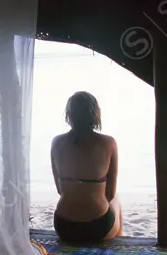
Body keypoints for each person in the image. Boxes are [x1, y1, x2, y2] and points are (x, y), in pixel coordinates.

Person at [50, 91, 123, 243]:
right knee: (116, 201)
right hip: (98, 227)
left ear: (69, 114)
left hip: (64, 226)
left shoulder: (56, 143)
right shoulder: (109, 143)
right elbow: (109, 193)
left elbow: (60, 190)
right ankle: (115, 250)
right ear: (95, 114)